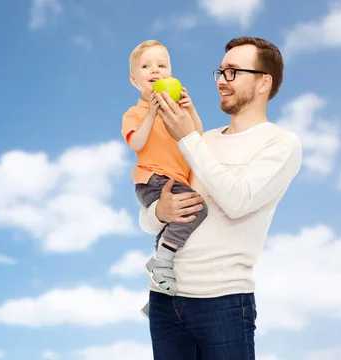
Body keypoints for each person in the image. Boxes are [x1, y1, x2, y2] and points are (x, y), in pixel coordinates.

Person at [139, 37, 303, 359]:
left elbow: (238, 200)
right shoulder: (203, 140)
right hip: (163, 298)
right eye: (220, 72)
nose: (221, 81)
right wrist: (161, 210)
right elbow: (148, 221)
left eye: (233, 72)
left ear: (263, 83)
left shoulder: (281, 143)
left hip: (223, 302)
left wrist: (186, 138)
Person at [121, 40, 208, 316]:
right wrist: (152, 113)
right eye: (146, 66)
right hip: (155, 180)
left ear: (170, 73)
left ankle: (157, 299)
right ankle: (160, 263)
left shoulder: (177, 111)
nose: (155, 70)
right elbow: (137, 144)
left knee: (177, 238)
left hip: (175, 179)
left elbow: (197, 135)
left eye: (161, 65)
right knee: (196, 210)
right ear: (135, 80)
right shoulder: (134, 113)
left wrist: (189, 108)